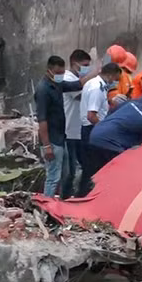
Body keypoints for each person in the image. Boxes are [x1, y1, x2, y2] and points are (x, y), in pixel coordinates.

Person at [35, 55, 99, 197]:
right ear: (49, 70)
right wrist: (46, 146)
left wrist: (94, 73)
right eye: (58, 73)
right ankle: (46, 208)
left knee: (66, 174)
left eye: (62, 73)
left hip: (60, 137)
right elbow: (42, 120)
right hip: (51, 139)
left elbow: (76, 85)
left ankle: (60, 204)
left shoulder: (57, 84)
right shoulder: (43, 90)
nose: (61, 76)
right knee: (53, 177)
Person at [82, 92, 142, 185]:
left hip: (95, 134)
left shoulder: (133, 104)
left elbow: (112, 111)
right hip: (109, 144)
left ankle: (81, 194)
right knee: (116, 176)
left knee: (93, 174)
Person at [76, 63, 122, 196]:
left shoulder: (95, 84)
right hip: (92, 131)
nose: (114, 82)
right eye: (114, 79)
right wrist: (104, 129)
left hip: (91, 130)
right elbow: (91, 116)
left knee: (90, 168)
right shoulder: (97, 88)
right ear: (110, 75)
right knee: (92, 169)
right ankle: (83, 197)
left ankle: (83, 196)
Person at [60, 49, 91, 199]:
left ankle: (76, 197)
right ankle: (65, 198)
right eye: (84, 65)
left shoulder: (77, 79)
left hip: (77, 130)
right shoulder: (67, 78)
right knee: (70, 171)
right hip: (68, 131)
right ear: (74, 63)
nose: (87, 69)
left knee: (82, 166)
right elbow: (81, 95)